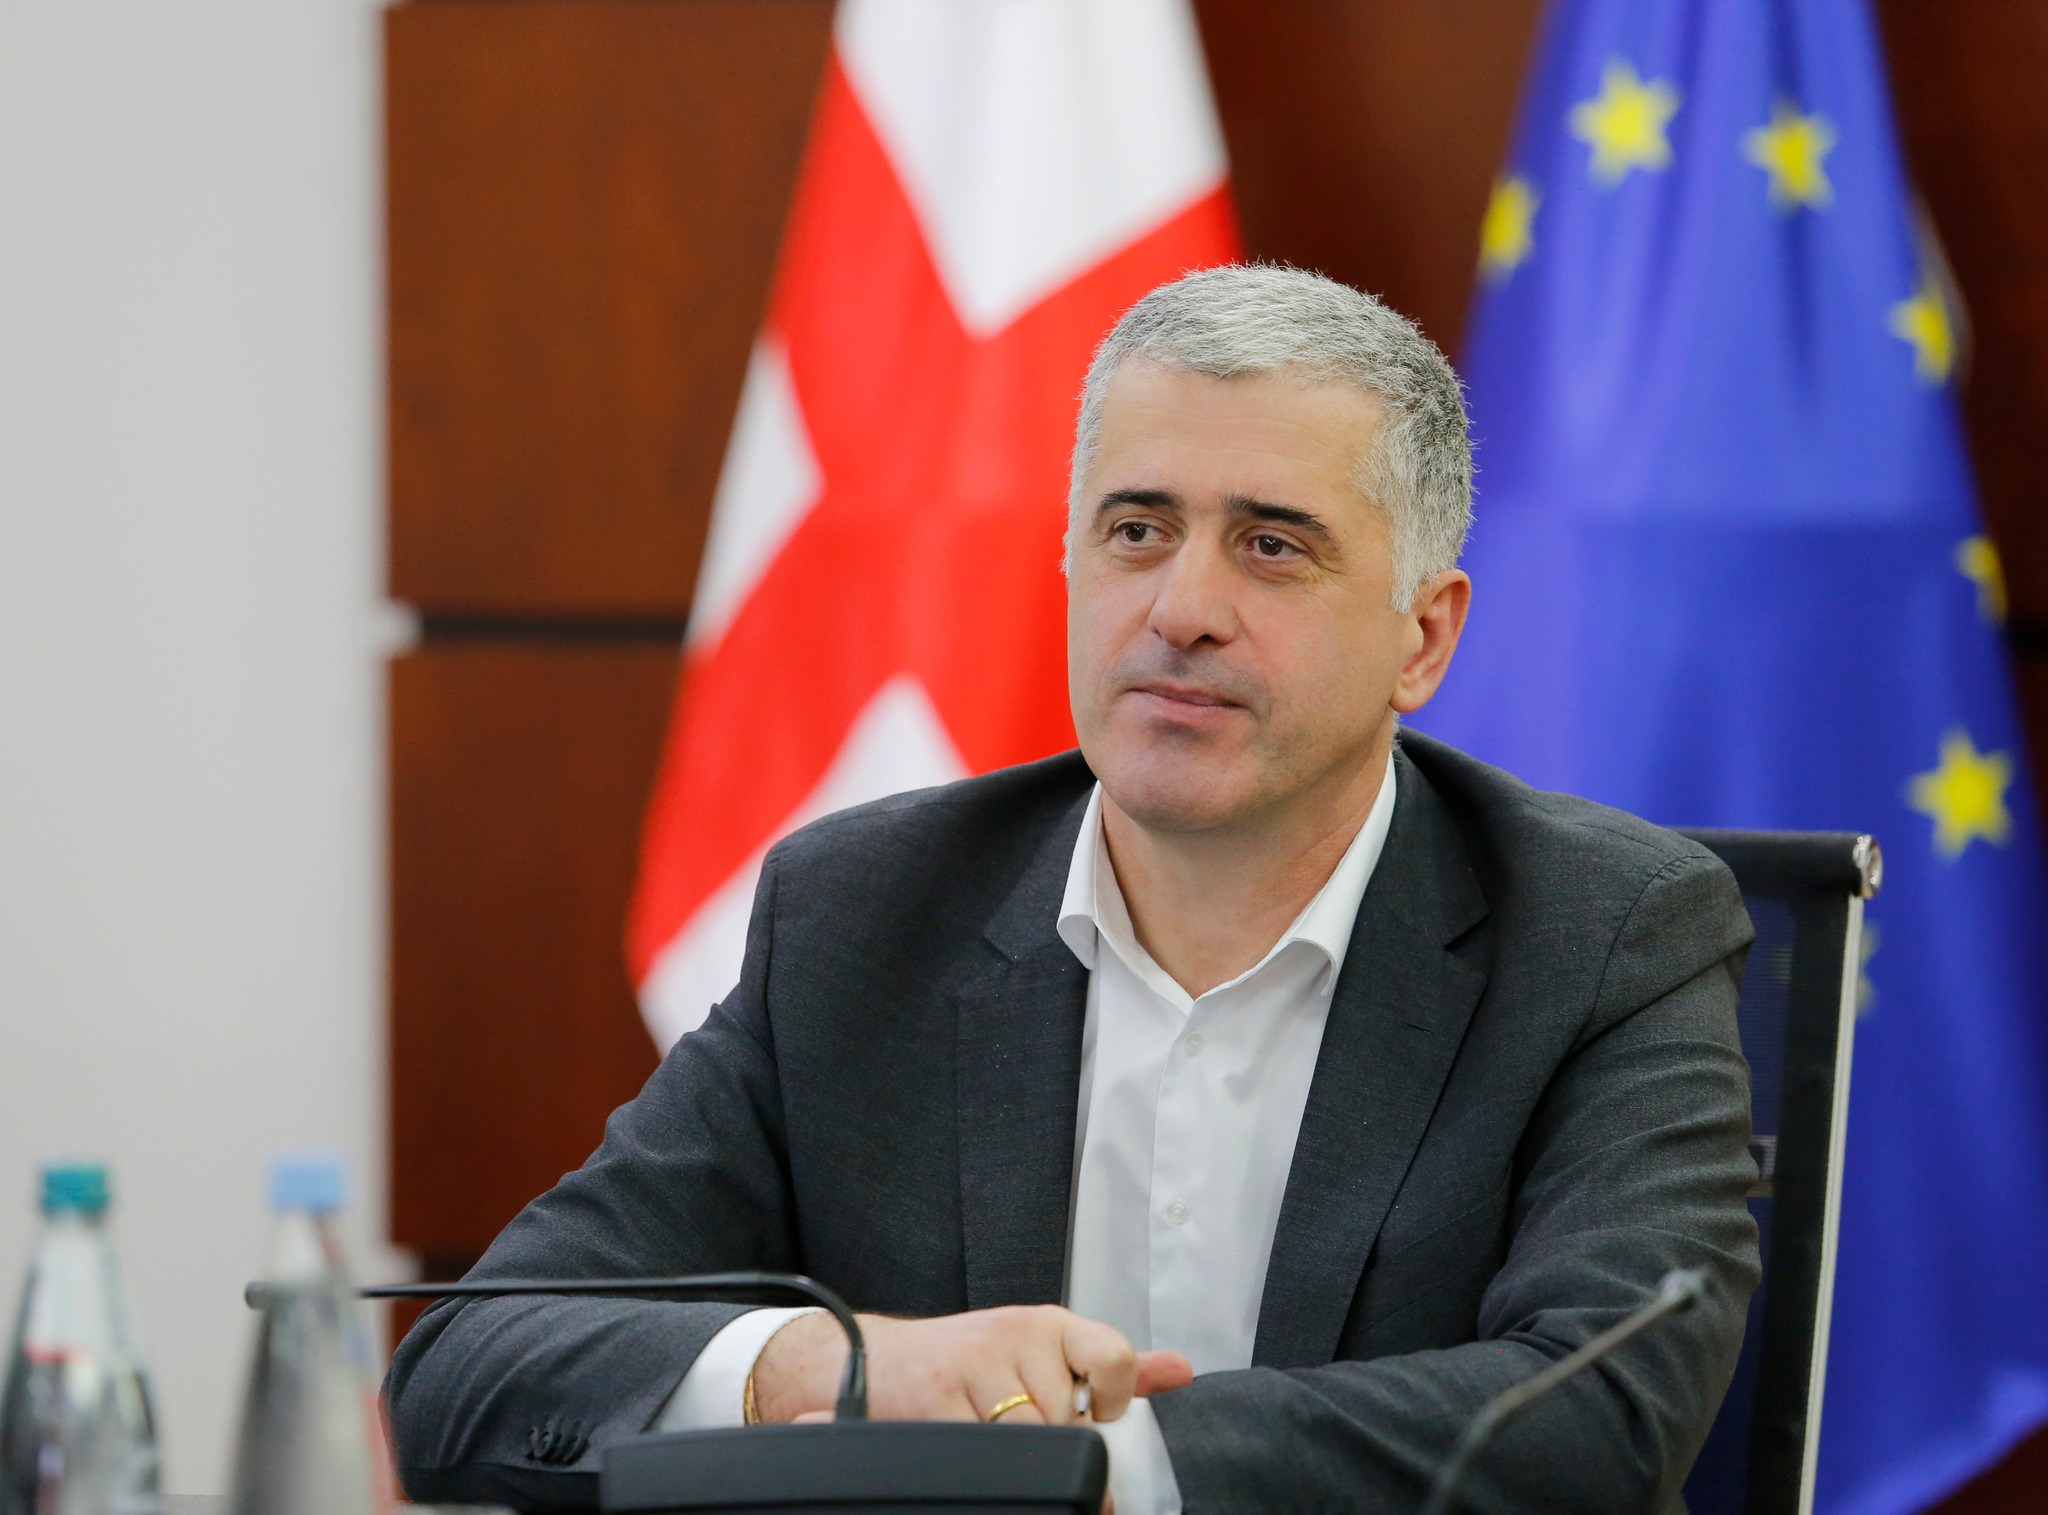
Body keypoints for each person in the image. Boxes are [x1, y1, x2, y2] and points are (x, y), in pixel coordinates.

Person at [386, 264, 1760, 1513]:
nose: (1181, 609)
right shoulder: (866, 912)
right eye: (1137, 530)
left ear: (1423, 637)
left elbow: (1607, 1415)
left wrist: (1091, 1465)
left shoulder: (1605, 936)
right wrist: (842, 1371)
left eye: (1272, 545)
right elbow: (470, 1368)